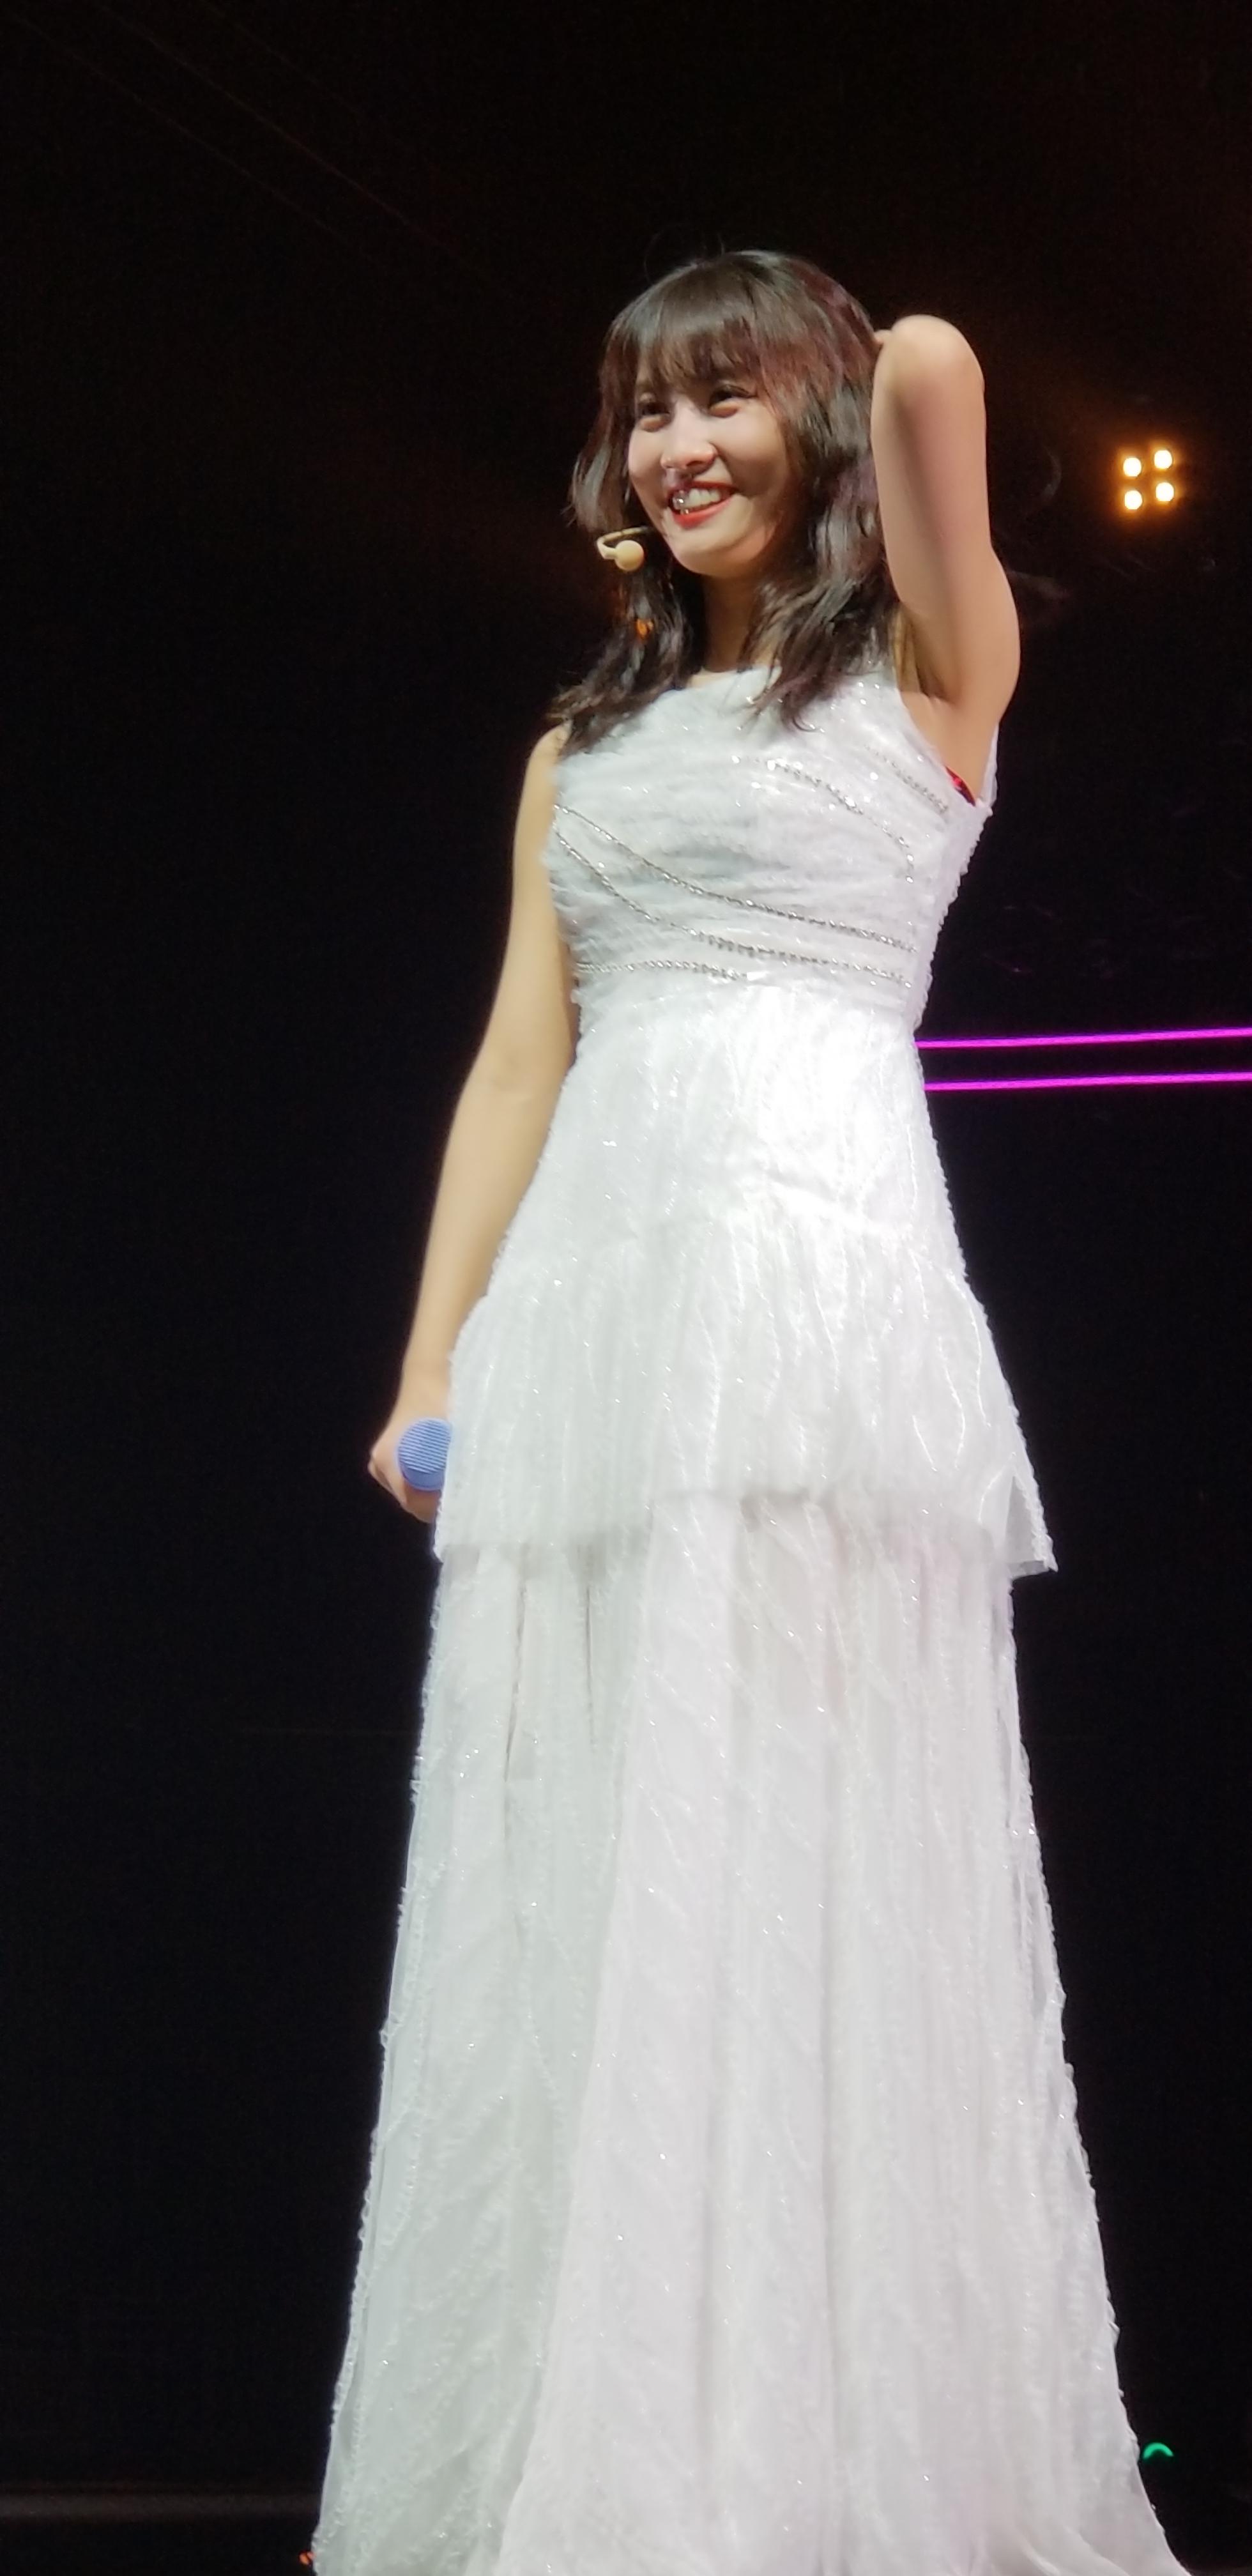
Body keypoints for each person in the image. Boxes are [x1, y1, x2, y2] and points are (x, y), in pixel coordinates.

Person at [313, 250, 1187, 2576]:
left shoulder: (931, 678)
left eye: (720, 400)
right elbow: (522, 1059)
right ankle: (584, 2449)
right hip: (599, 1313)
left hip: (812, 1307)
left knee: (806, 1851)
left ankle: (804, 2461)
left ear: (810, 409)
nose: (676, 449)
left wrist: (852, 361)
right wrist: (431, 1360)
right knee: (596, 1868)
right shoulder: (578, 752)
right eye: (644, 411)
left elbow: (942, 381)